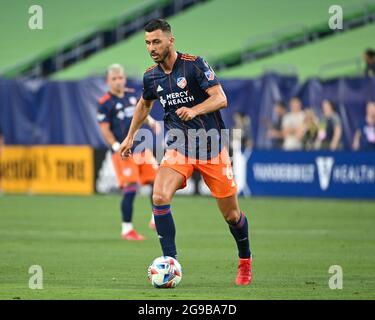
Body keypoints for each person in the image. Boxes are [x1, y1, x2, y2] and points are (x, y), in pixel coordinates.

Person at [119, 19, 252, 285]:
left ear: (171, 40)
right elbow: (144, 105)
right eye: (147, 43)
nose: (152, 47)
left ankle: (244, 261)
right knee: (158, 195)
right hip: (179, 146)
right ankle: (171, 262)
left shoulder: (194, 65)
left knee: (232, 216)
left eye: (156, 41)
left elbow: (220, 98)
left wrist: (195, 110)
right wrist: (130, 136)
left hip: (212, 147)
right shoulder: (151, 76)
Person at [97, 63, 160, 241]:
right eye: (114, 79)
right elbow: (105, 129)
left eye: (121, 78)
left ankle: (156, 219)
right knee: (131, 188)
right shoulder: (104, 103)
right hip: (124, 151)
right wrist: (115, 145)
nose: (118, 81)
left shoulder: (133, 94)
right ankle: (127, 229)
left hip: (141, 147)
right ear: (108, 81)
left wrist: (151, 121)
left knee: (157, 183)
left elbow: (141, 113)